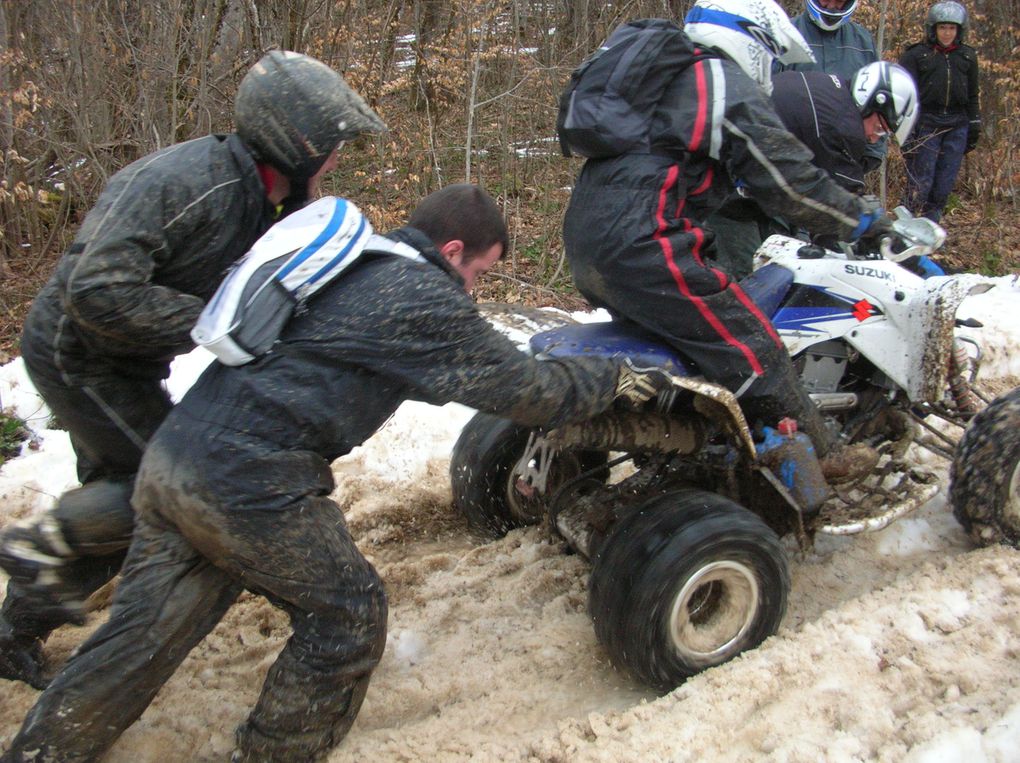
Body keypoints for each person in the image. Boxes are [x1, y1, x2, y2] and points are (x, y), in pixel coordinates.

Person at [0, 184, 667, 763]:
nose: (477, 291)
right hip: (250, 483)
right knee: (347, 612)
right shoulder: (420, 297)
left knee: (134, 642)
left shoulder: (355, 265)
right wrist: (616, 377)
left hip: (176, 461)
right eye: (482, 275)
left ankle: (40, 750)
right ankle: (274, 750)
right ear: (456, 250)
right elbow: (528, 391)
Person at [0, 50, 386, 689]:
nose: (339, 159)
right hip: (80, 356)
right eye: (335, 145)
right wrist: (215, 317)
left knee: (130, 498)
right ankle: (42, 542)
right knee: (166, 486)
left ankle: (16, 627)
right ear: (299, 143)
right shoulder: (189, 183)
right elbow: (95, 290)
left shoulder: (275, 201)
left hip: (126, 362)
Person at [562, 0, 908, 483]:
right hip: (647, 245)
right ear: (753, 39)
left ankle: (690, 450)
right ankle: (824, 457)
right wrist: (861, 220)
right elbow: (792, 183)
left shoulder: (663, 82)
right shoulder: (718, 80)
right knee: (752, 345)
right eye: (771, 52)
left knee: (691, 354)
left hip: (587, 241)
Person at [709, 61, 921, 277]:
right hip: (726, 191)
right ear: (870, 101)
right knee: (751, 285)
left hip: (749, 184)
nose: (874, 138)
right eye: (879, 127)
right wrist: (910, 261)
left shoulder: (827, 90)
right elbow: (838, 203)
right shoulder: (842, 125)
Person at [775, 0, 886, 171]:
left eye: (839, 1)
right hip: (794, 159)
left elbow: (879, 101)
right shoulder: (785, 35)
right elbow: (762, 96)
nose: (832, 6)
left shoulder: (862, 42)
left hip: (846, 158)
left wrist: (872, 154)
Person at [899, 1, 981, 222]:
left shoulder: (967, 56)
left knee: (943, 185)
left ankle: (930, 228)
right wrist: (907, 130)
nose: (947, 33)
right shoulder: (917, 55)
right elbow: (904, 94)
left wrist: (975, 124)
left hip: (957, 125)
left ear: (959, 30)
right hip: (926, 123)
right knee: (920, 183)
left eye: (952, 28)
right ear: (933, 29)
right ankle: (903, 229)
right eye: (943, 27)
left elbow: (973, 94)